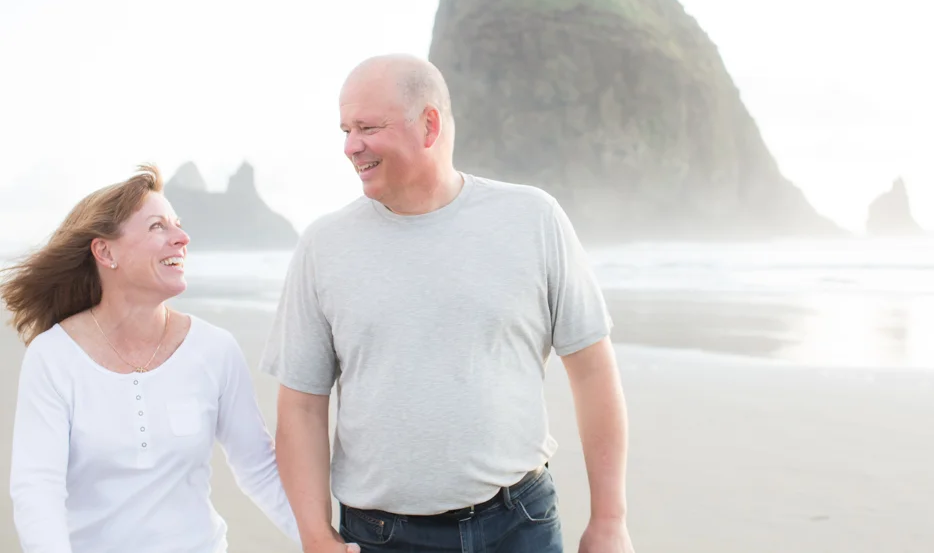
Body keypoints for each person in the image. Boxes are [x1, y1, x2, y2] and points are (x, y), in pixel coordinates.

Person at [260, 54, 635, 552]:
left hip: (519, 524)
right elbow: (303, 406)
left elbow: (591, 370)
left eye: (367, 127)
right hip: (379, 538)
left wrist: (609, 520)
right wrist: (314, 535)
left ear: (429, 125)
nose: (351, 146)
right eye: (346, 129)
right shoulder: (323, 246)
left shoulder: (533, 218)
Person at [1, 164, 323, 553]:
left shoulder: (214, 349)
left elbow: (258, 469)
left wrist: (322, 541)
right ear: (105, 252)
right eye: (158, 227)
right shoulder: (53, 357)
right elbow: (38, 490)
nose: (182, 238)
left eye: (178, 225)